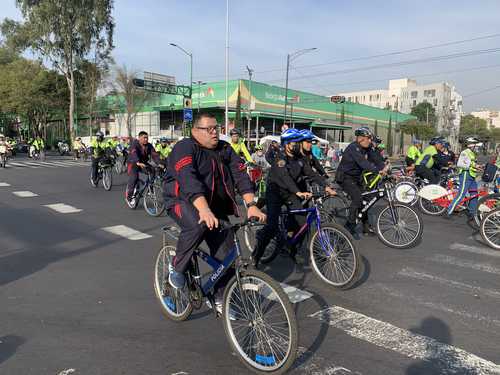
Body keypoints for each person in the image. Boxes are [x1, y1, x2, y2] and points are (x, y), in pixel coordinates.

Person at [163, 113, 266, 313]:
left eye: (216, 128)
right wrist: (203, 209)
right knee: (196, 225)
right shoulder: (185, 147)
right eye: (208, 129)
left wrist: (251, 204)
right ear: (195, 131)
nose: (214, 132)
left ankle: (220, 297)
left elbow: (239, 174)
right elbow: (187, 179)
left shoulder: (224, 149)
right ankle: (177, 267)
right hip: (181, 199)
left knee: (227, 253)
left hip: (213, 206)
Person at [252, 129, 335, 267]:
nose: (297, 144)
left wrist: (326, 186)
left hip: (290, 193)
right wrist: (298, 192)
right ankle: (256, 255)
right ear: (286, 144)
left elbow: (311, 173)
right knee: (271, 226)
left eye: (298, 142)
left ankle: (291, 248)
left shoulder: (299, 159)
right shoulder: (280, 158)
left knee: (303, 223)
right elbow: (285, 178)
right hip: (276, 192)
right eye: (294, 142)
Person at [336, 127, 388, 239]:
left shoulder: (368, 147)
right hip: (345, 177)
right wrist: (377, 170)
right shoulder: (353, 148)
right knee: (357, 198)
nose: (370, 141)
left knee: (366, 200)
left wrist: (384, 168)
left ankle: (365, 227)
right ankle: (349, 226)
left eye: (370, 139)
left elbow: (376, 158)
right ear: (360, 138)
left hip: (356, 178)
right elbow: (363, 163)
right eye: (368, 138)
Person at [446, 137, 482, 220]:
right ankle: (449, 211)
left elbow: (471, 163)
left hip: (472, 176)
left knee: (474, 194)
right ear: (471, 145)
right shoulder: (465, 152)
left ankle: (471, 213)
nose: (477, 147)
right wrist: (474, 166)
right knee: (461, 194)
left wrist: (478, 167)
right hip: (465, 175)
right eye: (476, 145)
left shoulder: (472, 153)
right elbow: (460, 164)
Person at [126, 131, 161, 206]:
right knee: (134, 178)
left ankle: (150, 189)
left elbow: (154, 155)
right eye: (144, 138)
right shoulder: (134, 144)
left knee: (152, 170)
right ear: (139, 138)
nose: (146, 139)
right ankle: (129, 197)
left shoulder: (149, 145)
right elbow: (133, 152)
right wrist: (137, 161)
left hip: (143, 163)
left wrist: (160, 163)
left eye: (147, 137)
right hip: (133, 163)